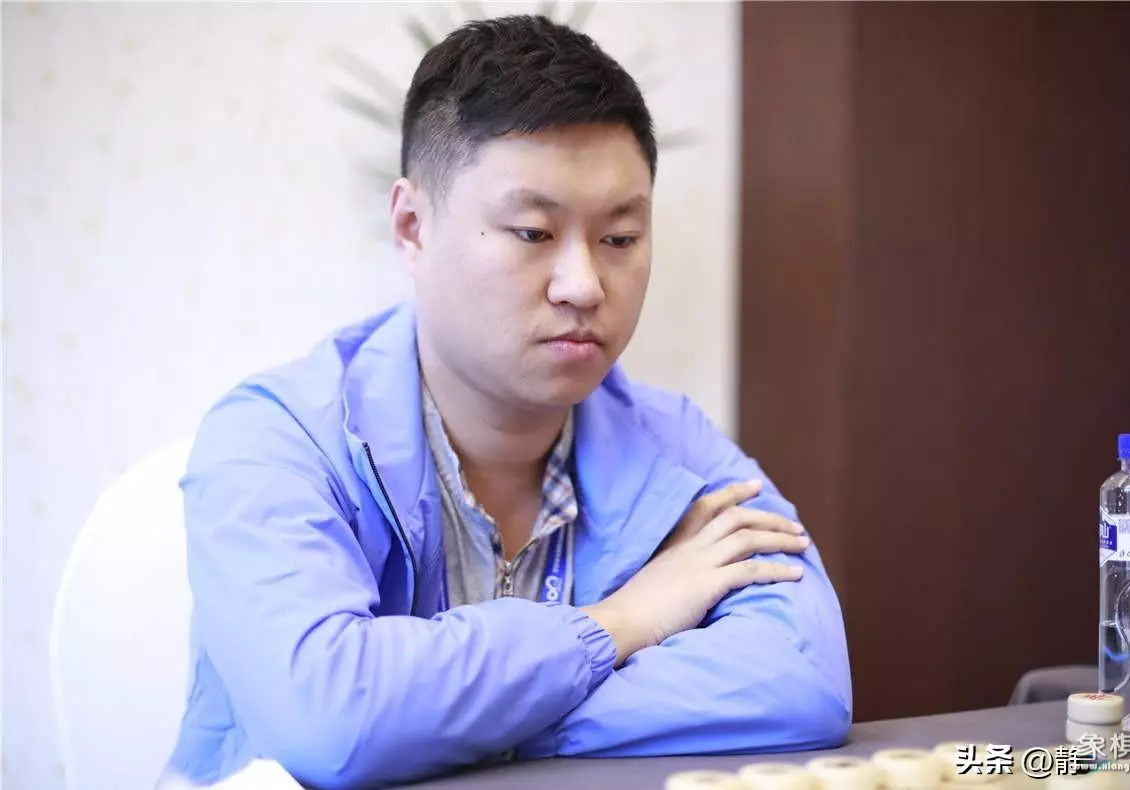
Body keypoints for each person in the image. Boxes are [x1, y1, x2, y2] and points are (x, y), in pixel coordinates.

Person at [161, 14, 852, 790]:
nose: (584, 286)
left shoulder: (673, 445)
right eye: (531, 232)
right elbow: (331, 717)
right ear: (412, 227)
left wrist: (453, 722)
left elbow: (801, 679)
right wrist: (617, 624)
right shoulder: (274, 438)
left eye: (620, 239)